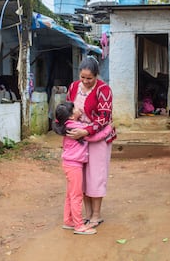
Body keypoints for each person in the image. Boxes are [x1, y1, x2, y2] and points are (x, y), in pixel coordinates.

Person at [66, 55, 116, 228]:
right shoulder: (73, 87)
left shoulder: (104, 90)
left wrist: (85, 131)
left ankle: (96, 214)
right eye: (83, 78)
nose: (86, 81)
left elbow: (104, 118)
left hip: (98, 137)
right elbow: (67, 110)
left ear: (96, 76)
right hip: (78, 139)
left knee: (96, 175)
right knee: (82, 177)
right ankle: (87, 214)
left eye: (90, 78)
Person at [53, 101, 112, 235]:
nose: (78, 108)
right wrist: (109, 128)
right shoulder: (76, 127)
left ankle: (68, 221)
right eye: (74, 108)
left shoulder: (68, 124)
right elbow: (95, 136)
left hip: (70, 163)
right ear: (71, 116)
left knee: (71, 194)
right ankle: (79, 226)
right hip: (74, 165)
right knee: (76, 195)